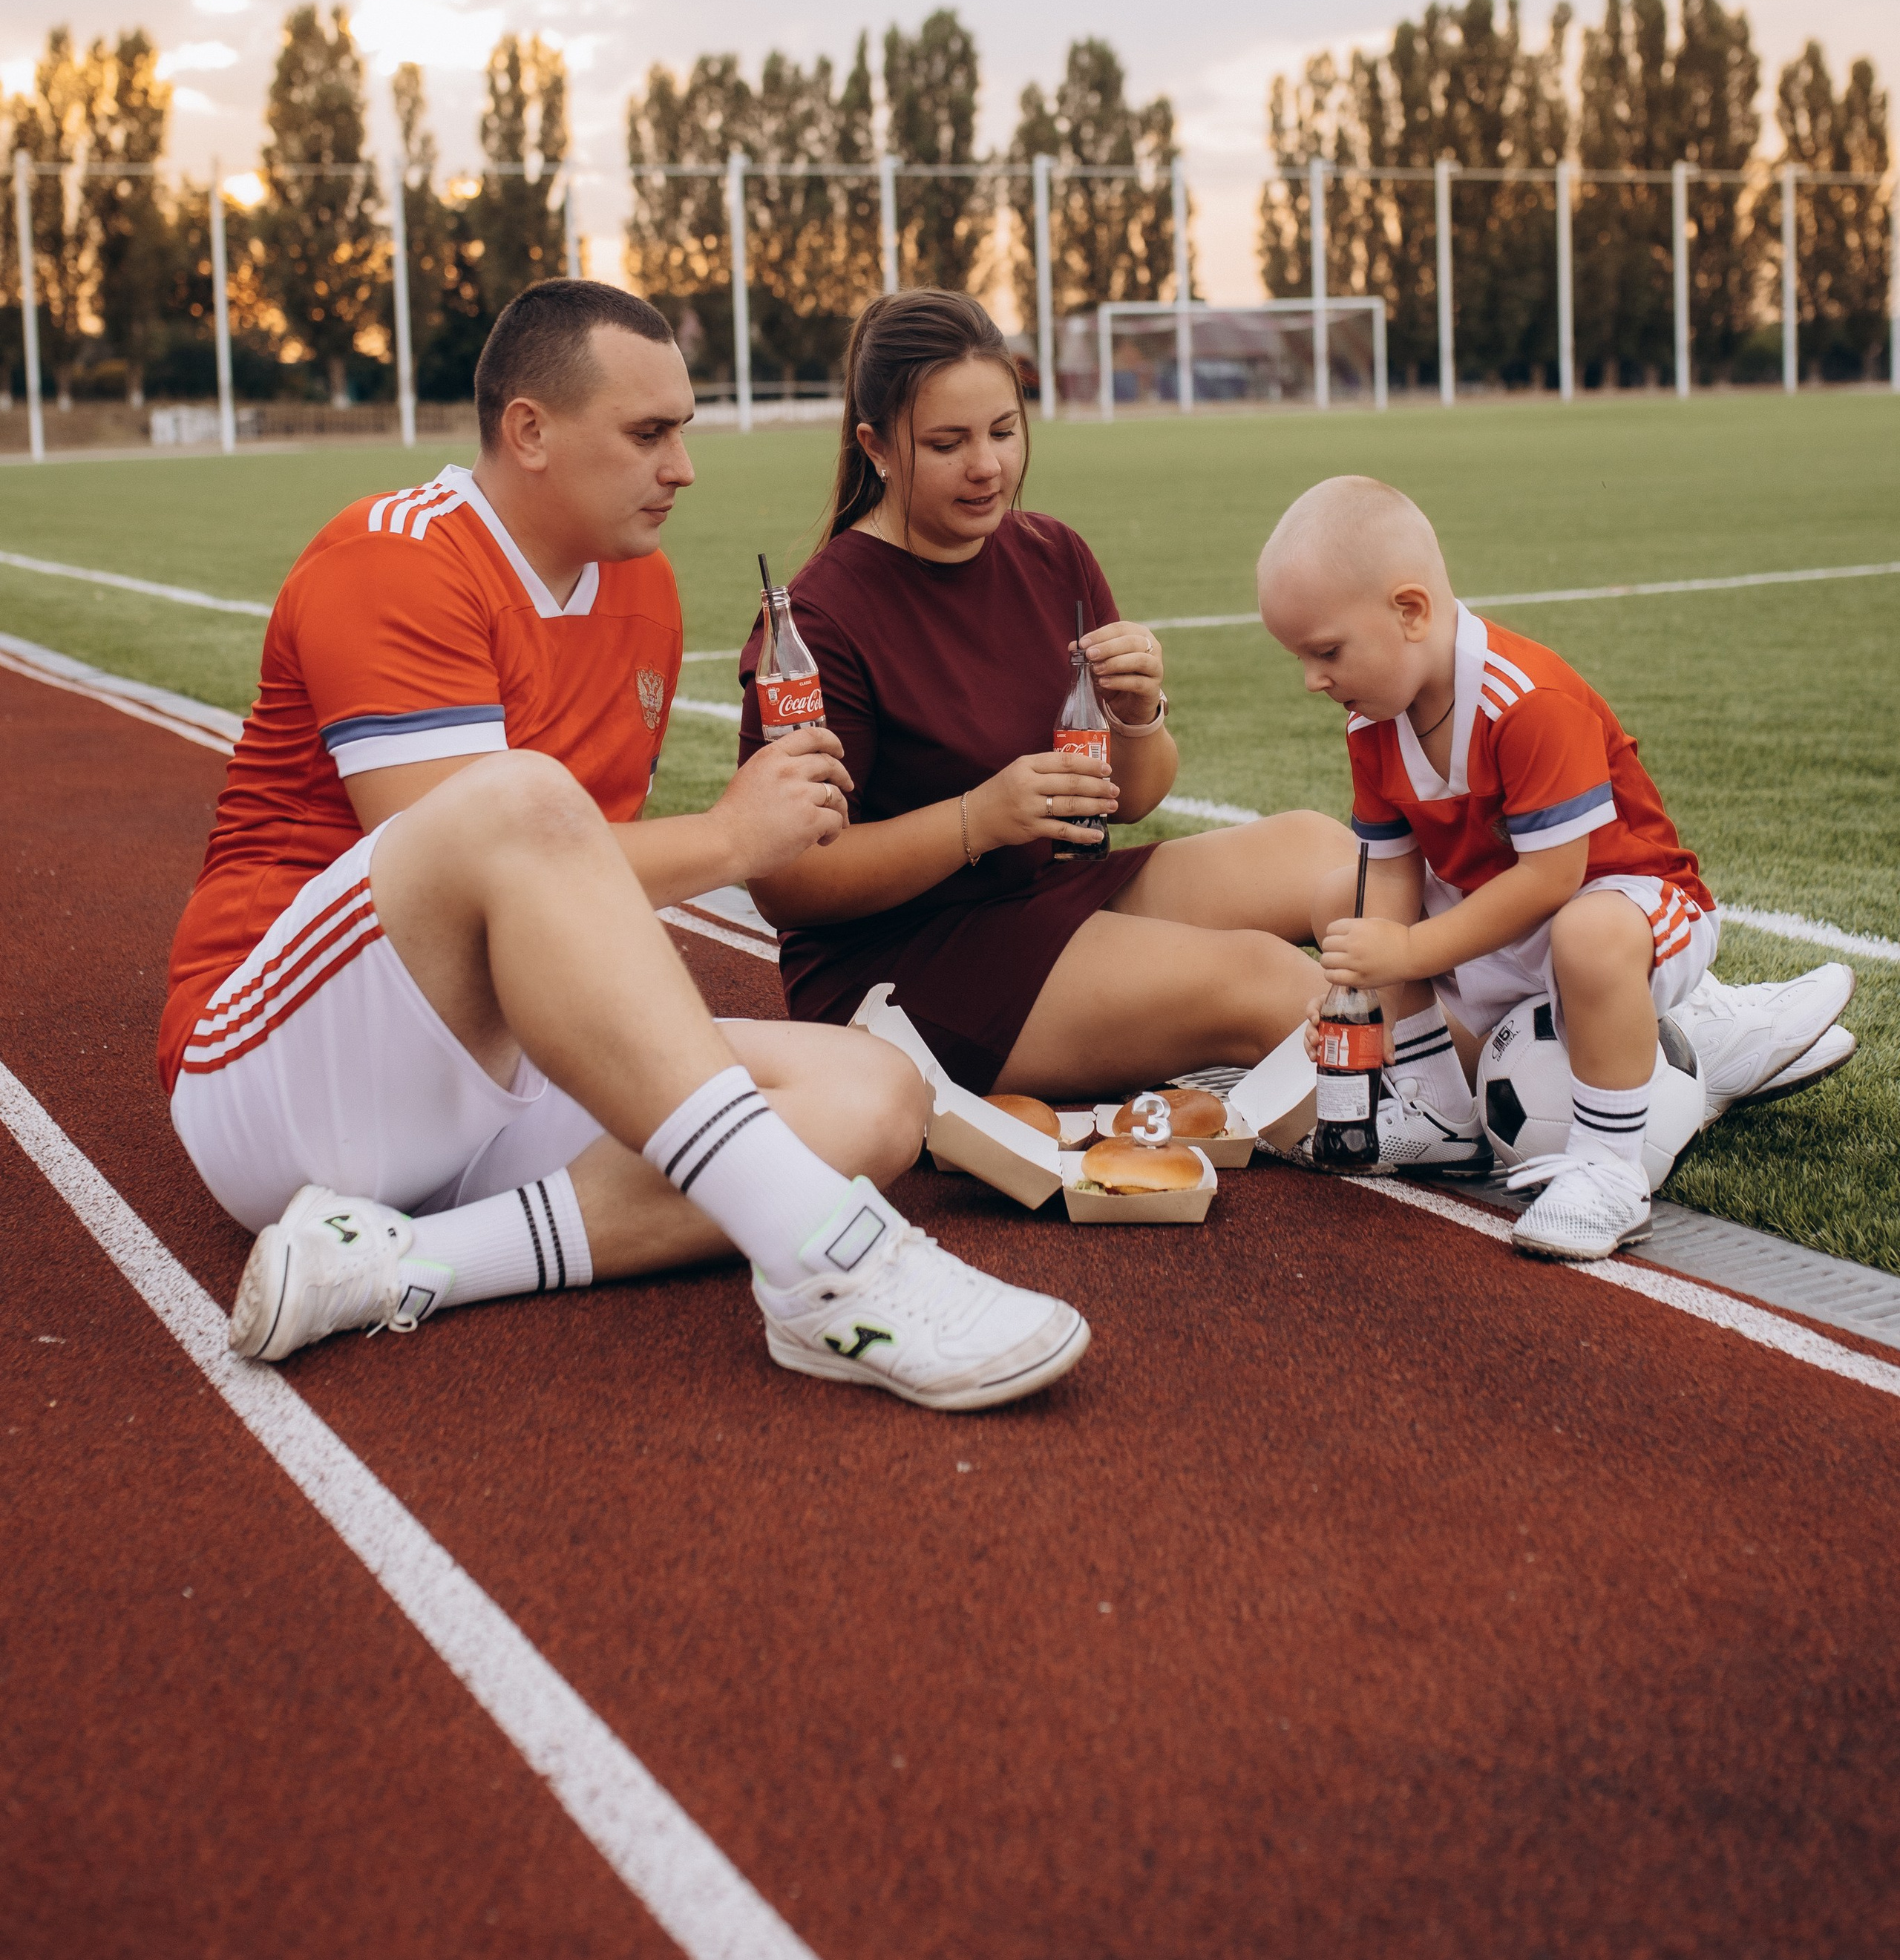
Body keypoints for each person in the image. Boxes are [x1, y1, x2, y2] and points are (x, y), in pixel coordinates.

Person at [160, 280, 1090, 1411]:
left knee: (878, 1095)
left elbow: (567, 888)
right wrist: (735, 838)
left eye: (683, 431)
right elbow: (464, 848)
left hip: (506, 1073)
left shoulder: (643, 589)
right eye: (649, 433)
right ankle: (828, 1261)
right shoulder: (394, 557)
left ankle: (406, 1264)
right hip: (289, 1070)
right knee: (519, 800)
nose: (684, 466)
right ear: (531, 431)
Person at [735, 289, 1354, 1100]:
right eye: (947, 443)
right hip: (899, 964)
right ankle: (1483, 1094)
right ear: (876, 446)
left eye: (1002, 431)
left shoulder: (1051, 553)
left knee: (1326, 858)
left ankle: (1512, 1043)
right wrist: (977, 820)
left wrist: (1138, 714)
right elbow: (783, 882)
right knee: (1263, 982)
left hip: (1040, 897)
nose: (987, 466)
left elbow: (1127, 800)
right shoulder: (819, 617)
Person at [1257, 474, 1856, 1262]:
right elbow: (1391, 875)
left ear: (1410, 612)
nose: (1311, 680)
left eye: (1326, 651)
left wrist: (1402, 955)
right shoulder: (1373, 722)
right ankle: (1438, 1113)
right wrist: (1357, 985)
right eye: (1300, 657)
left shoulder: (1524, 700)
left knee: (1588, 934)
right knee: (1346, 896)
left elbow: (1552, 877)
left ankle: (1609, 1170)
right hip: (1503, 916)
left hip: (1628, 904)